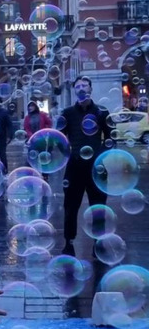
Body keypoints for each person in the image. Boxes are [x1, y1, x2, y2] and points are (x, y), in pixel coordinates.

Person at [57, 76, 111, 256]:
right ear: (74, 90)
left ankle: (99, 240)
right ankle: (68, 240)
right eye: (77, 86)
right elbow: (58, 138)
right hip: (75, 166)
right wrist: (68, 152)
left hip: (97, 166)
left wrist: (100, 153)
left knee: (99, 205)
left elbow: (112, 138)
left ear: (90, 89)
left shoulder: (102, 112)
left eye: (84, 85)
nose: (81, 88)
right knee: (71, 206)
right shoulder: (67, 113)